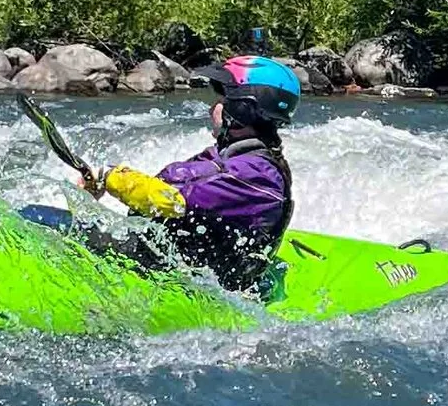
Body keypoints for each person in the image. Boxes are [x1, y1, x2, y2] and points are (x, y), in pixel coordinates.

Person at [80, 54, 300, 295]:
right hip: (176, 264)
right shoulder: (232, 158)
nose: (211, 108)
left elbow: (168, 200)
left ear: (242, 109)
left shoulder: (253, 175)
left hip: (190, 286)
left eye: (221, 99)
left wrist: (107, 176)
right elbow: (168, 183)